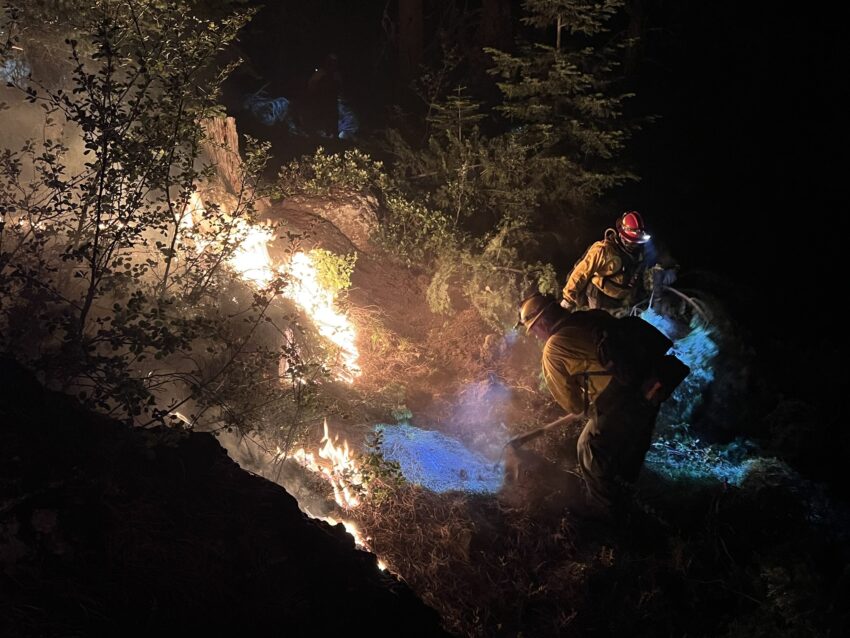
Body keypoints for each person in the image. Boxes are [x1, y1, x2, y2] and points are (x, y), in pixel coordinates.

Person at [516, 292, 689, 517]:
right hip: (649, 386)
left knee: (588, 449)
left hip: (618, 400)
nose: (536, 336)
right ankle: (630, 492)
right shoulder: (592, 316)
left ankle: (607, 516)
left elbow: (573, 405)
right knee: (631, 447)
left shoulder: (553, 350)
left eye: (533, 330)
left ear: (542, 321)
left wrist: (586, 406)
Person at [561, 211, 676, 315]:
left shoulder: (638, 251)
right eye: (631, 242)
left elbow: (652, 263)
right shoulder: (603, 250)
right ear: (622, 235)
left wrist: (668, 267)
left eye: (637, 242)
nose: (634, 245)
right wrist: (567, 300)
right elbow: (582, 272)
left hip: (621, 298)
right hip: (600, 296)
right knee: (603, 329)